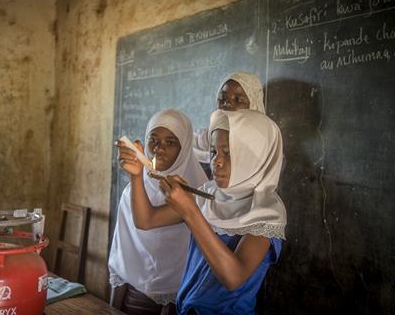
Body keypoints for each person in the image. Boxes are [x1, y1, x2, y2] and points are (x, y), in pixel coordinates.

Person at [123, 109, 286, 314]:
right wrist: (137, 176)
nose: (216, 161)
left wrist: (190, 211)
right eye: (213, 152)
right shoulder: (208, 194)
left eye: (228, 152)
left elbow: (233, 277)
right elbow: (146, 220)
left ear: (255, 157)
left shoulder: (266, 213)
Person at [109, 109, 208, 314]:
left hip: (181, 295)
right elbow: (122, 255)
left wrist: (136, 178)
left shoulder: (197, 190)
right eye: (152, 139)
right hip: (136, 293)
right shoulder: (131, 191)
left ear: (185, 148)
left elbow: (146, 220)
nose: (158, 149)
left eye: (170, 142)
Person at [193, 71, 266, 165]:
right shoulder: (208, 138)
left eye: (238, 100)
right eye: (222, 98)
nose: (227, 103)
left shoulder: (264, 146)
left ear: (254, 104)